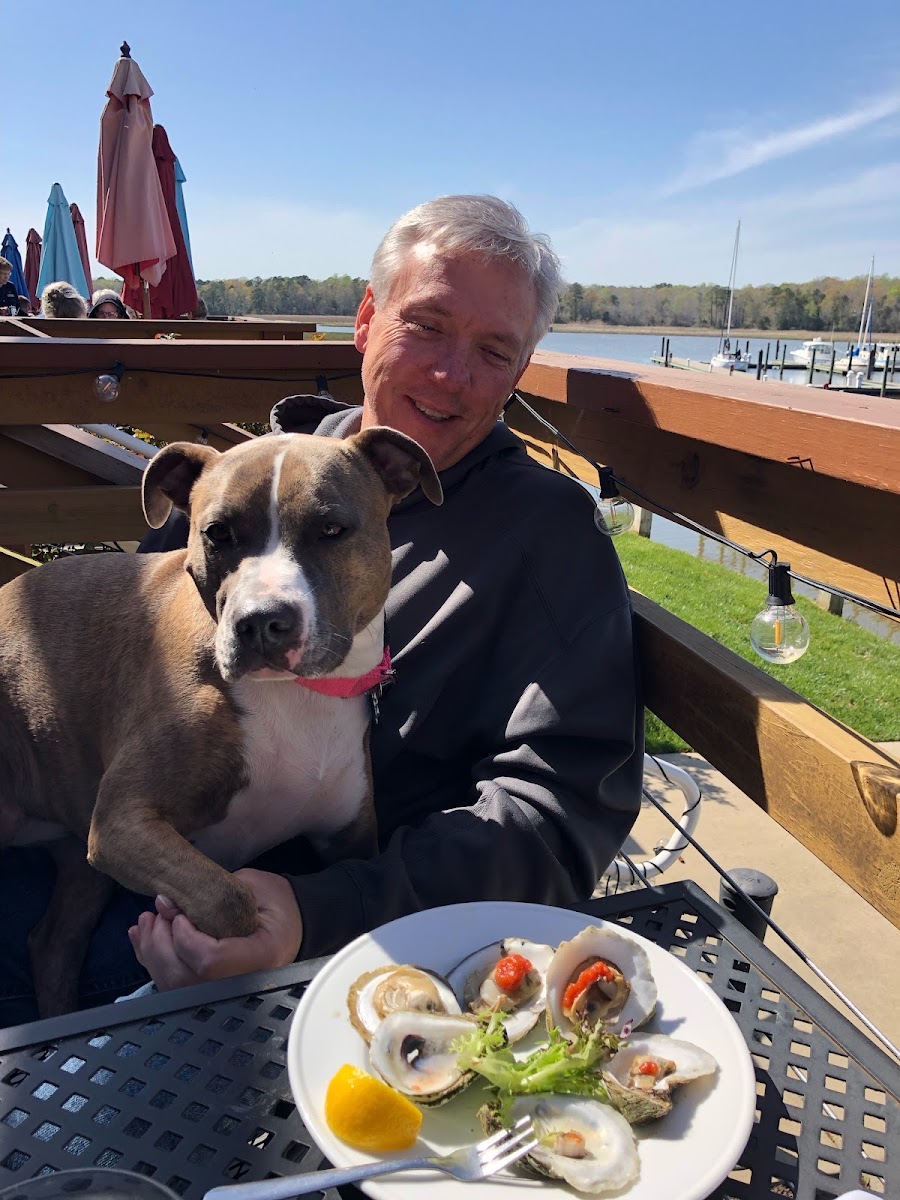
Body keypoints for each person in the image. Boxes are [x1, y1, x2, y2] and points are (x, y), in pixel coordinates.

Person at [0, 195, 642, 1021]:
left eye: (493, 349)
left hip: (316, 930)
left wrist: (322, 915)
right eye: (427, 326)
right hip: (114, 823)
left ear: (521, 370)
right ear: (366, 320)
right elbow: (134, 650)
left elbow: (557, 819)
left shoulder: (546, 538)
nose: (452, 374)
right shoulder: (265, 464)